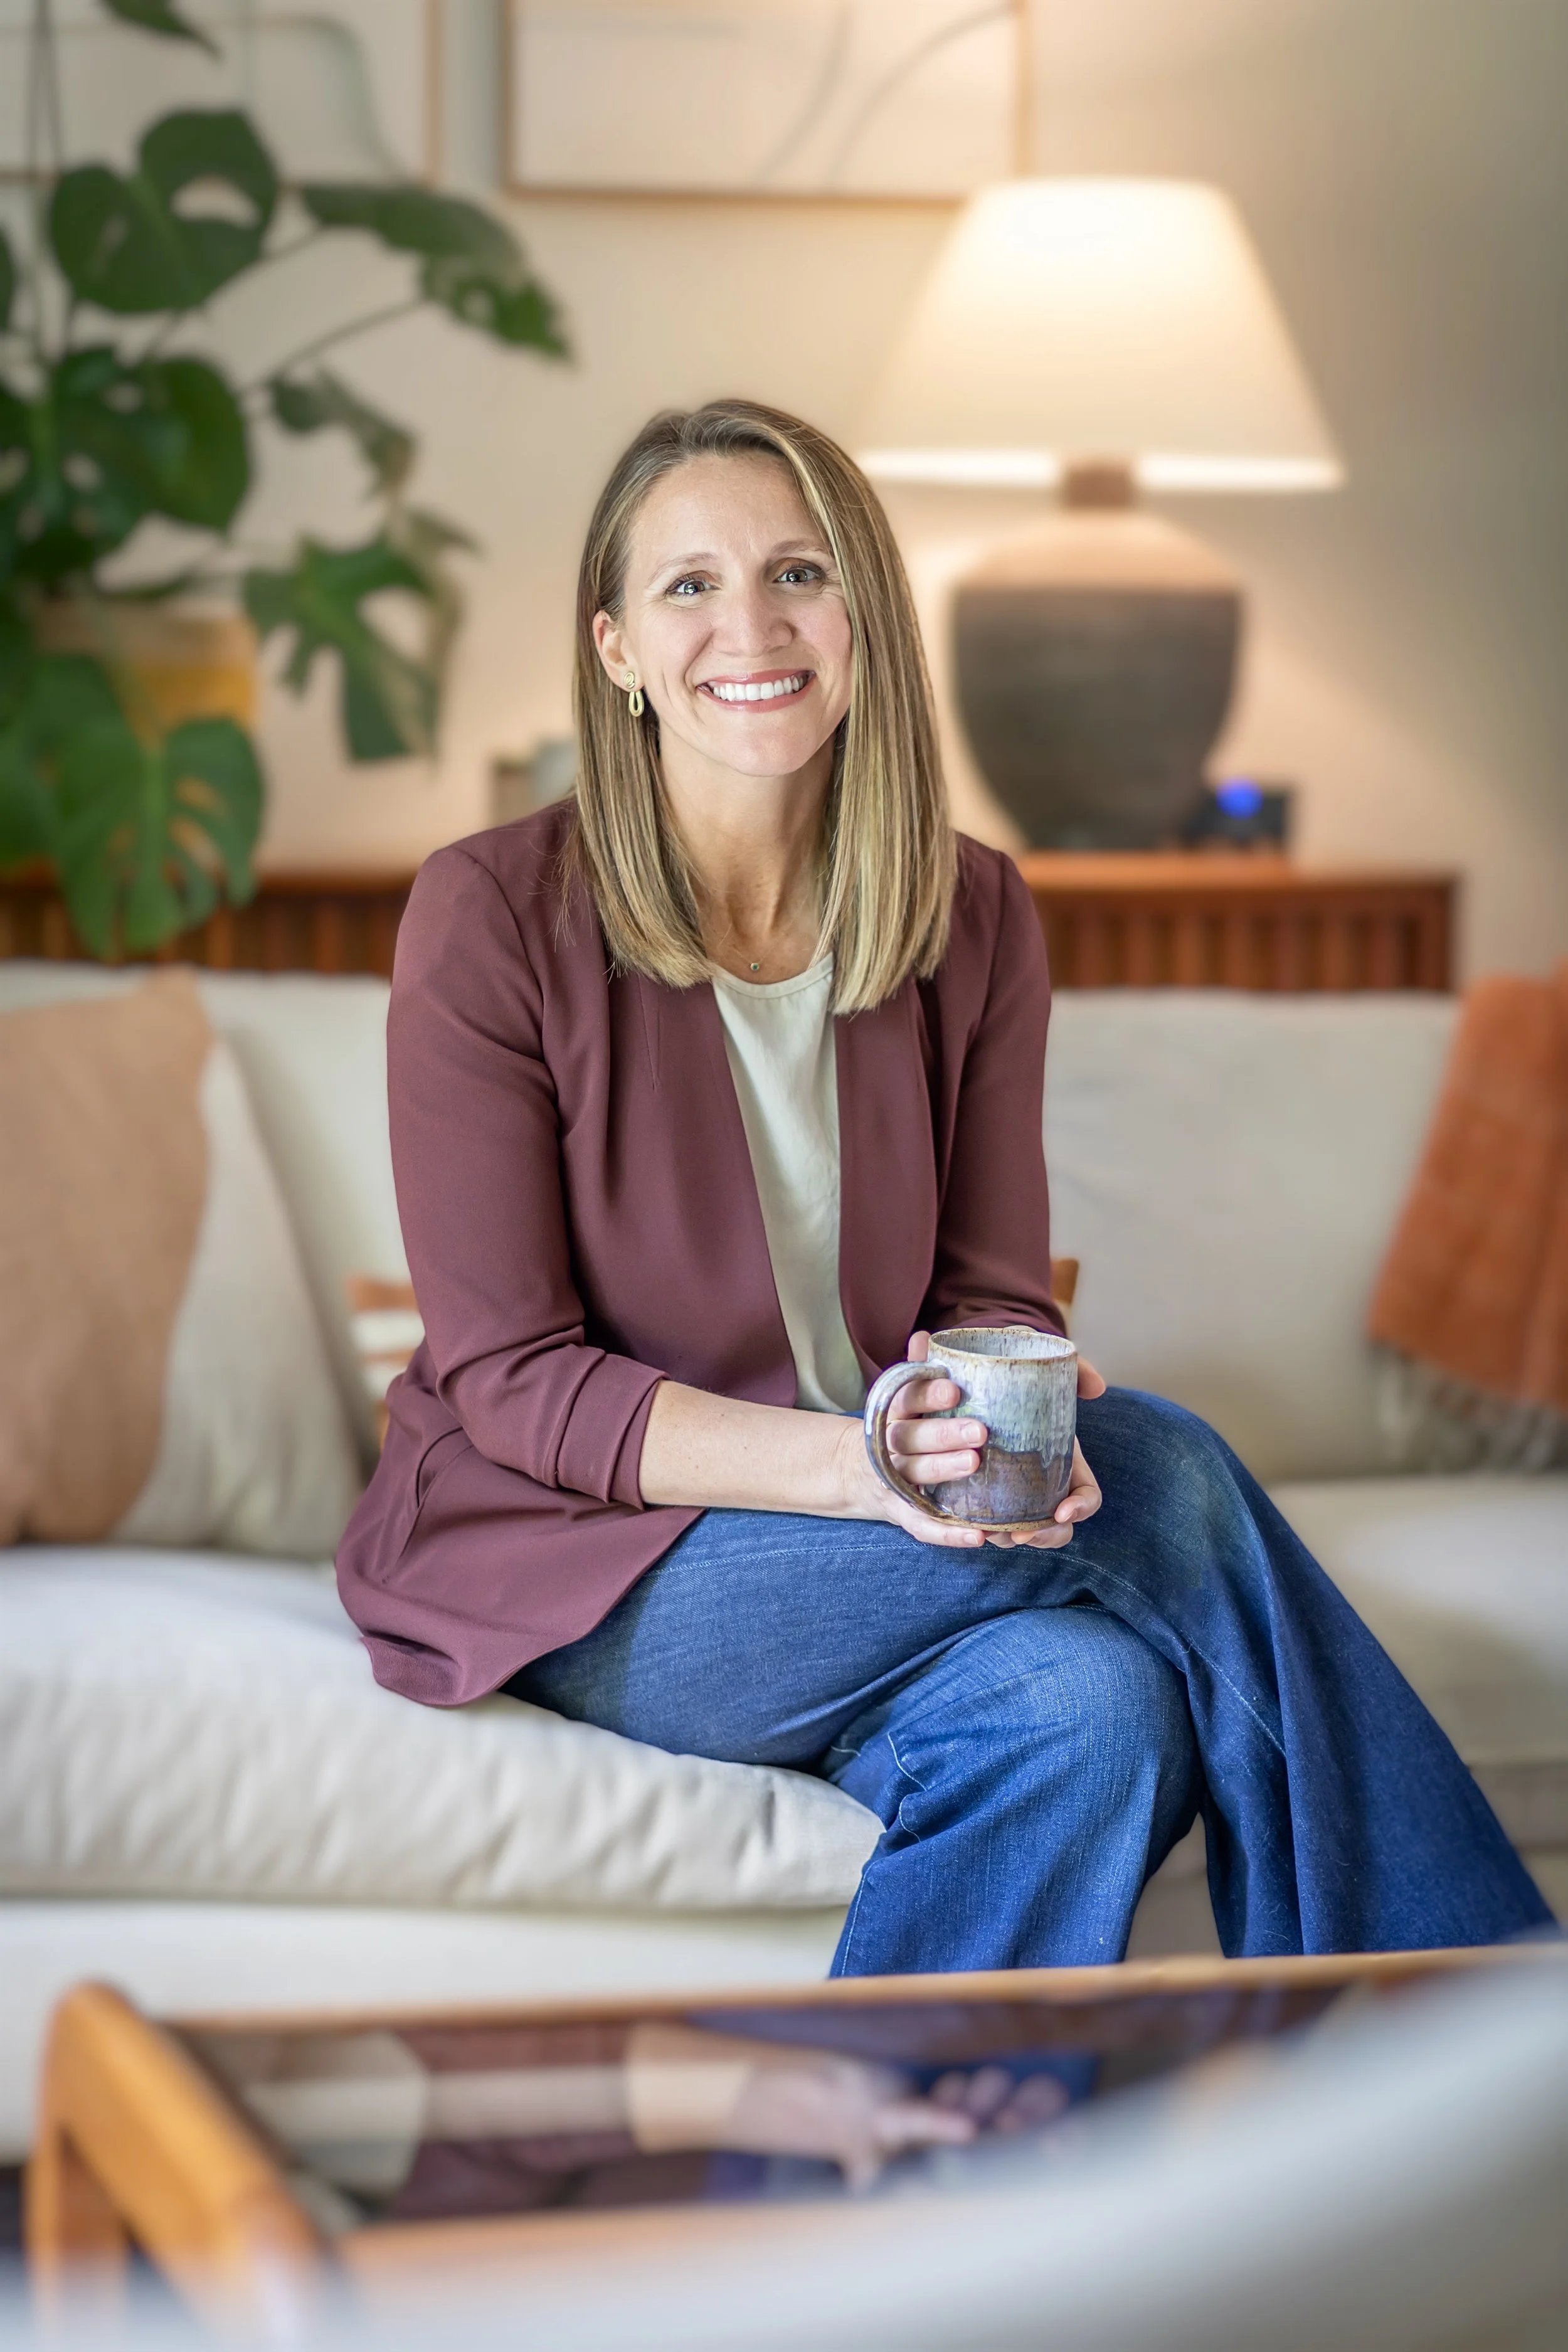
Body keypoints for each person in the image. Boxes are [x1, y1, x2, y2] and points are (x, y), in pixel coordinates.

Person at [337, 397, 1552, 1973]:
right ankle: (1468, 2023)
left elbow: (986, 1276)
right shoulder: (490, 915)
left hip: (884, 1540)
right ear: (616, 649)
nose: (751, 624)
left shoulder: (969, 911)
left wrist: (1005, 1384)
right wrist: (871, 1468)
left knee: (1092, 1715)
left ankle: (878, 2202)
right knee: (1169, 1479)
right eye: (687, 586)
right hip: (582, 1557)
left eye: (797, 572)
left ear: (861, 619)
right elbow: (511, 1381)